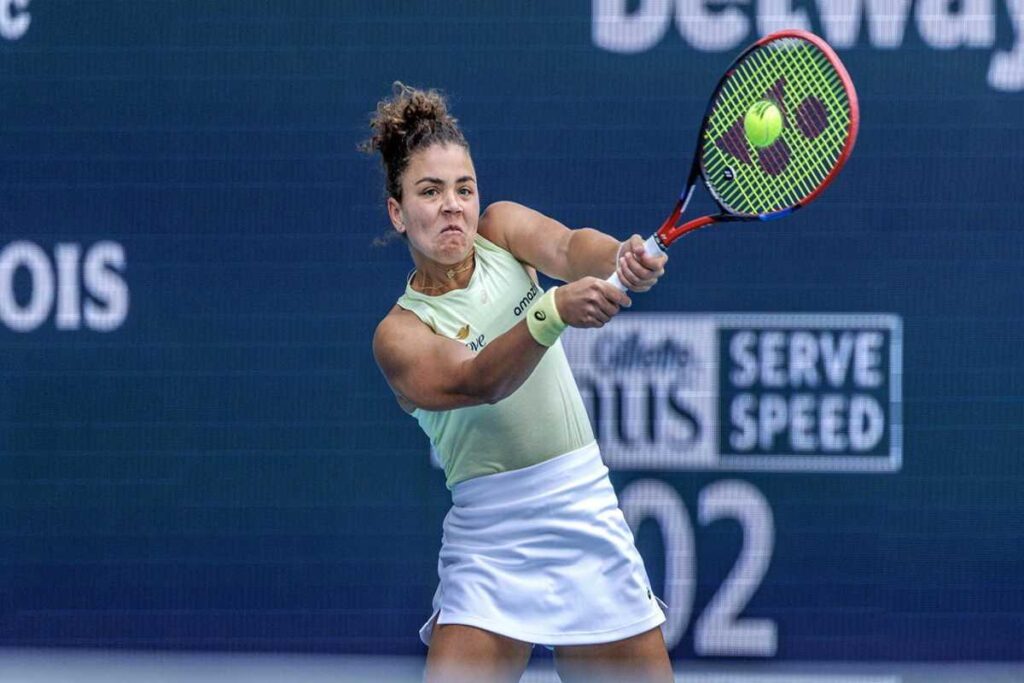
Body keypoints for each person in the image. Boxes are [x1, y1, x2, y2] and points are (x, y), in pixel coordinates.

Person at [364, 83, 673, 683]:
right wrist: (551, 312)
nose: (452, 206)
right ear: (398, 212)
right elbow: (476, 380)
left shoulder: (501, 231)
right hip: (489, 541)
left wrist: (621, 256)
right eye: (430, 191)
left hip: (582, 510)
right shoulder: (399, 335)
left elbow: (569, 246)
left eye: (464, 189)